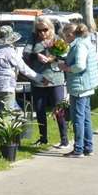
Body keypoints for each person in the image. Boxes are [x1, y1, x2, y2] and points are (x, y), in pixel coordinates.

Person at [24, 16, 70, 150]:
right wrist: (36, 55)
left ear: (50, 28)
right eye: (39, 31)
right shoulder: (33, 39)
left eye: (45, 30)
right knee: (39, 110)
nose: (42, 33)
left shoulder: (57, 39)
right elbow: (25, 54)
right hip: (38, 79)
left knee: (59, 110)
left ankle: (64, 139)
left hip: (56, 79)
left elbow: (66, 56)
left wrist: (54, 57)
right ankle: (43, 138)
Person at [0, 25, 42, 117]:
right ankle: (5, 131)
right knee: (6, 116)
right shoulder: (10, 52)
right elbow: (23, 68)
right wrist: (39, 78)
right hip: (6, 87)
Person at [58, 23, 98, 158]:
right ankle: (88, 147)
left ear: (70, 34)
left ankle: (79, 149)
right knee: (86, 118)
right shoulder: (86, 42)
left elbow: (80, 65)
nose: (65, 40)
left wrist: (66, 68)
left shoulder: (79, 45)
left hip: (80, 85)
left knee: (78, 118)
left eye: (65, 37)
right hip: (87, 85)